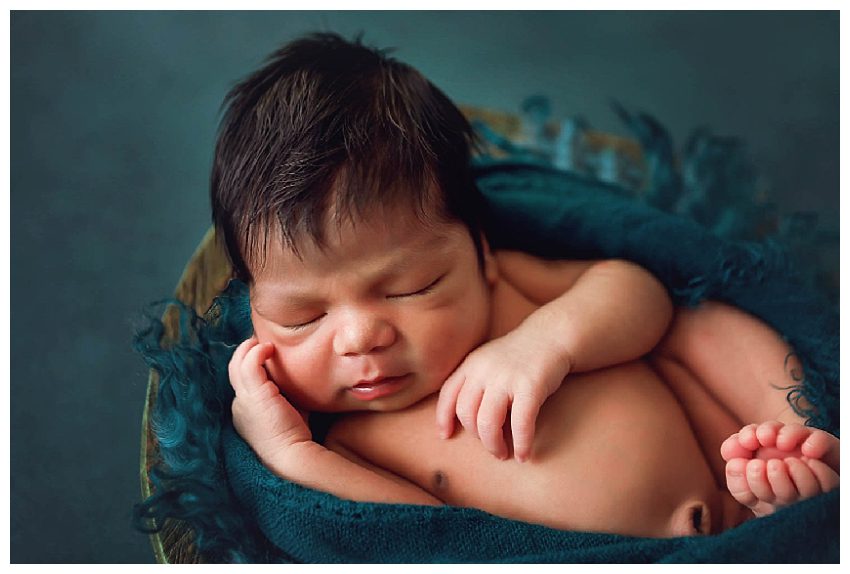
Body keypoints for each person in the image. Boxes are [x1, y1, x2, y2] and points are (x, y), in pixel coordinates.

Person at [213, 32, 839, 539]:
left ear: (480, 252)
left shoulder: (511, 288)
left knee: (701, 322)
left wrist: (545, 342)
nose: (359, 337)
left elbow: (640, 293)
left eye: (412, 286)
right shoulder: (344, 442)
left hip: (728, 483)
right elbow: (416, 538)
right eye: (299, 318)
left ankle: (794, 446)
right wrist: (293, 454)